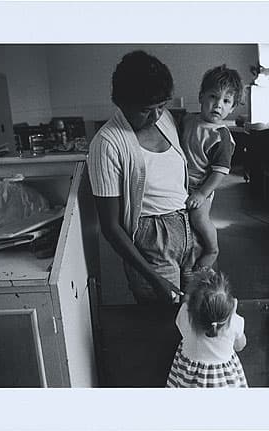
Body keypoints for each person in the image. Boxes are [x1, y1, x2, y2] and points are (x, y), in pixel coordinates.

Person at [88, 50, 197, 304]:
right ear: (122, 103)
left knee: (195, 316)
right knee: (164, 324)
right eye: (147, 110)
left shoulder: (166, 120)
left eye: (162, 106)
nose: (157, 115)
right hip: (152, 245)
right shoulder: (107, 144)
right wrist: (152, 278)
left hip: (186, 231)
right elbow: (111, 227)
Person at [179, 65, 243, 269]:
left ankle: (212, 248)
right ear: (201, 97)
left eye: (226, 101)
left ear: (232, 108)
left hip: (202, 186)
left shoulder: (221, 136)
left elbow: (219, 173)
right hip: (181, 182)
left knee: (199, 218)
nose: (218, 105)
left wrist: (201, 193)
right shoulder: (188, 120)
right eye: (213, 97)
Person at [166, 268, 248, 387]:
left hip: (190, 376)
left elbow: (186, 305)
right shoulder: (233, 323)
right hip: (223, 379)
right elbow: (240, 346)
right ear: (230, 306)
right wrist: (233, 314)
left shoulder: (184, 314)